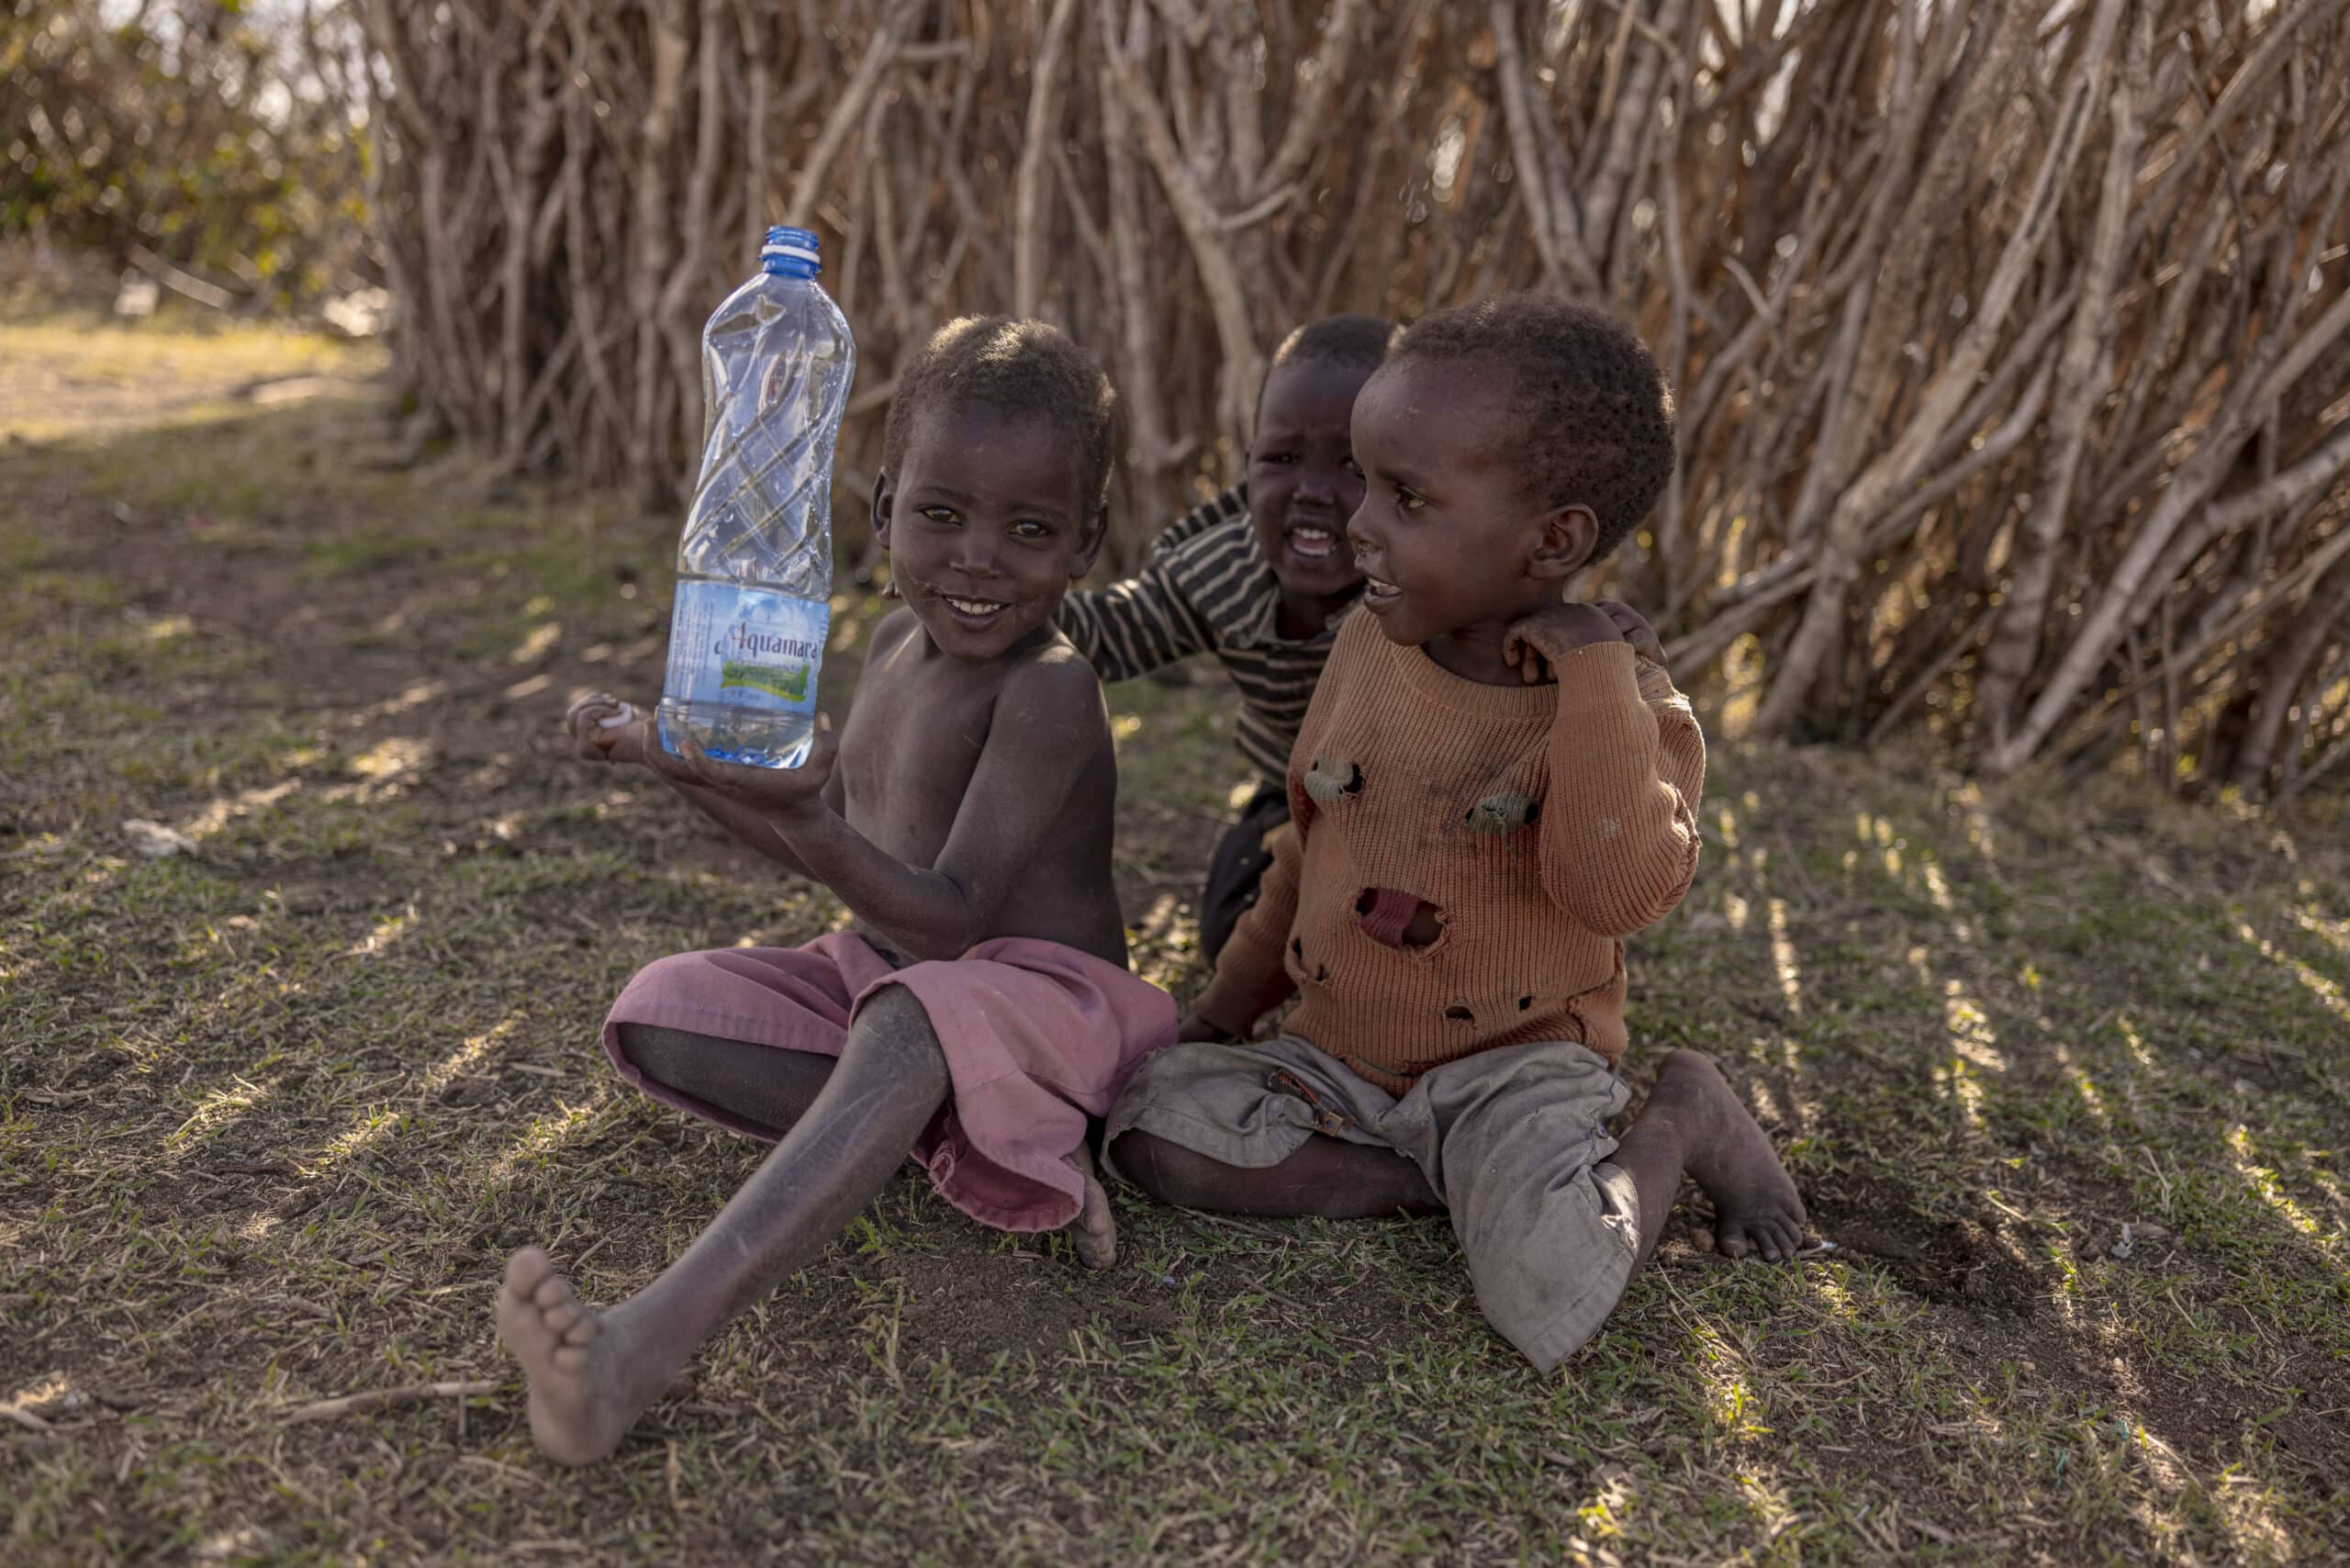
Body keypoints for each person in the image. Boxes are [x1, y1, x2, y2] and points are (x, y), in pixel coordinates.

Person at [498, 316, 1175, 1464]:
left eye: (1027, 530)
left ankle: (637, 1350)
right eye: (940, 514)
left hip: (1049, 1009)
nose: (975, 558)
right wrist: (670, 761)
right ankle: (959, 1135)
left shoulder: (1051, 689)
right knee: (662, 1010)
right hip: (894, 983)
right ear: (880, 513)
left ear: (1085, 541)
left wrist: (805, 815)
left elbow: (955, 916)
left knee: (916, 1013)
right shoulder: (885, 651)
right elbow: (840, 856)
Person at [1103, 297, 1807, 1373]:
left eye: (1406, 496)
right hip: (1337, 1058)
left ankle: (1680, 1121)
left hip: (1512, 1073)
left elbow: (1612, 890)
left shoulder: (1633, 708)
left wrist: (1591, 678)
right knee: (1149, 1127)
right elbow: (1305, 850)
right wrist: (1221, 1012)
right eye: (1366, 483)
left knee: (1545, 1288)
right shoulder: (1369, 645)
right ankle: (1439, 1186)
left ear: (1554, 539)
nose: (1360, 524)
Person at [1057, 313, 1395, 960]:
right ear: (1247, 466)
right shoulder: (1221, 572)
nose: (1313, 490)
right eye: (1282, 458)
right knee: (1232, 940)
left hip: (1414, 819)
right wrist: (1004, 595)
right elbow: (1109, 634)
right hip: (1293, 804)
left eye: (1354, 466)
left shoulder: (1424, 592)